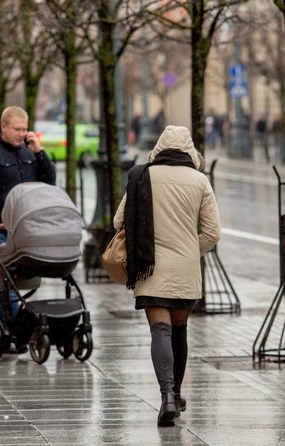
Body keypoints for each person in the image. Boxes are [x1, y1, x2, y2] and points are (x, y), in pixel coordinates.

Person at [113, 125, 221, 427]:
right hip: (186, 267)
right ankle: (177, 392)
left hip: (150, 265)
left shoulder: (141, 176)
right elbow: (213, 232)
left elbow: (118, 220)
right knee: (179, 332)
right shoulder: (200, 181)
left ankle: (167, 397)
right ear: (189, 152)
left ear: (158, 149)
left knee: (159, 330)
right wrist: (190, 249)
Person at [0, 106, 56, 346]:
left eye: (25, 129)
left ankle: (7, 331)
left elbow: (49, 182)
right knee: (9, 274)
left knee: (12, 279)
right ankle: (15, 328)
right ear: (3, 127)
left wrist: (40, 153)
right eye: (17, 129)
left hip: (25, 228)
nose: (21, 133)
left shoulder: (29, 154)